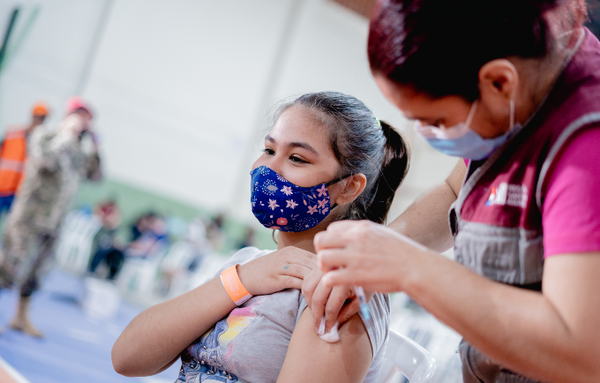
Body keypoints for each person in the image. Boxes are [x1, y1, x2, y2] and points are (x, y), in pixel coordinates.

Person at [309, 1, 600, 382]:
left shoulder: (585, 146)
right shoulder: (522, 91)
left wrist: (409, 268)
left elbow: (581, 349)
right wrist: (375, 253)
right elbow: (453, 192)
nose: (426, 133)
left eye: (436, 120)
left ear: (499, 82)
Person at [111, 91, 409, 383]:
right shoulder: (247, 265)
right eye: (269, 150)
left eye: (296, 158)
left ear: (348, 187)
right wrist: (241, 280)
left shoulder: (340, 293)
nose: (268, 168)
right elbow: (127, 358)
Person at [0, 96, 102, 337]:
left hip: (55, 222)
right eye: (80, 116)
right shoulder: (46, 136)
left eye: (87, 119)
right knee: (8, 266)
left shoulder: (80, 150)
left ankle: (20, 317)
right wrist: (65, 136)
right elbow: (45, 160)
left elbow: (96, 176)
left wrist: (96, 148)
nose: (83, 123)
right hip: (29, 216)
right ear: (69, 116)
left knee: (37, 273)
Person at [0, 102, 49, 216]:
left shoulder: (42, 143)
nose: (39, 121)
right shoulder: (13, 134)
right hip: (2, 185)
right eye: (38, 117)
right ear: (32, 116)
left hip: (21, 192)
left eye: (42, 118)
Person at [88, 199, 126, 280]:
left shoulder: (115, 224)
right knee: (102, 249)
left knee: (117, 254)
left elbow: (115, 224)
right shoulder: (100, 212)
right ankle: (92, 270)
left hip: (110, 244)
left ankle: (111, 276)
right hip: (100, 241)